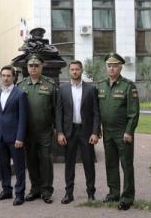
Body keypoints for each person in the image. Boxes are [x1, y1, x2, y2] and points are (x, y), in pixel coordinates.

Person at [96, 52, 140, 211]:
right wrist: (97, 130)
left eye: (115, 66)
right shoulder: (100, 86)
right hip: (107, 132)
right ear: (106, 67)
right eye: (109, 66)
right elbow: (97, 112)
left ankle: (127, 197)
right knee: (110, 163)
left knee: (126, 165)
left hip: (123, 133)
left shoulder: (128, 86)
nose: (112, 69)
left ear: (121, 67)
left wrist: (129, 132)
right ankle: (113, 193)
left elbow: (134, 113)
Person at [55, 60, 101, 204]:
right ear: (69, 71)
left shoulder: (91, 89)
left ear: (82, 71)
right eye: (72, 69)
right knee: (69, 164)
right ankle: (69, 193)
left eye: (77, 69)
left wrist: (95, 132)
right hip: (69, 132)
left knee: (88, 163)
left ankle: (91, 193)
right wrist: (60, 132)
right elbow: (58, 113)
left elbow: (96, 113)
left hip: (86, 132)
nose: (75, 72)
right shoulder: (62, 89)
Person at [17, 53, 56, 204]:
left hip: (45, 130)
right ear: (27, 67)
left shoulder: (50, 85)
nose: (33, 68)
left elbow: (56, 109)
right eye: (30, 65)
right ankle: (35, 188)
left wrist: (57, 128)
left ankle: (46, 190)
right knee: (31, 160)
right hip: (28, 131)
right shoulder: (21, 86)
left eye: (36, 65)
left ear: (41, 67)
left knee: (46, 160)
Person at [0, 65, 27, 206]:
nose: (5, 78)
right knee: (3, 165)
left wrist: (20, 137)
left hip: (14, 138)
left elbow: (23, 118)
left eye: (8, 76)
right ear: (0, 77)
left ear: (13, 77)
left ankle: (19, 194)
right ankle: (6, 190)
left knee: (18, 167)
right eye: (3, 75)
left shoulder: (20, 94)